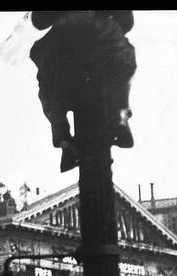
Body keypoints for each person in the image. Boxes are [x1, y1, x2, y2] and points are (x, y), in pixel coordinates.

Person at [29, 10, 136, 172]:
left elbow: (38, 21)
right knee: (123, 62)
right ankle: (120, 117)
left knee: (48, 84)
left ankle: (64, 139)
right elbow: (127, 22)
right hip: (102, 37)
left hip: (66, 41)